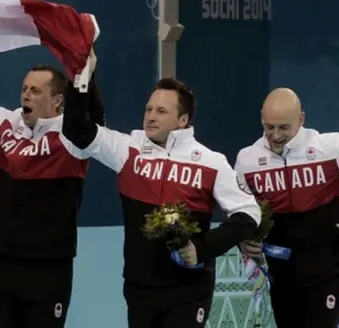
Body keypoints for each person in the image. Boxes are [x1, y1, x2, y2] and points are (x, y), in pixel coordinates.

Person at [60, 76, 261, 328]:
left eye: (161, 111)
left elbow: (249, 212)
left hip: (189, 289)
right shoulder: (127, 149)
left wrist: (202, 247)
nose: (151, 116)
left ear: (183, 120)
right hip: (140, 286)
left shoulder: (211, 162)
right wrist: (82, 75)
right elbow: (77, 130)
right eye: (148, 109)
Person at [0, 48, 104, 328]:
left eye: (36, 91)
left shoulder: (73, 137)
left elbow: (92, 119)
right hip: (2, 268)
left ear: (58, 102)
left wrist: (86, 72)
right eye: (24, 88)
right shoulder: (5, 124)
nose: (26, 95)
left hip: (48, 272)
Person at [235, 87, 339, 328]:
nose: (276, 135)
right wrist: (243, 239)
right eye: (269, 127)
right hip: (280, 275)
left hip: (325, 272)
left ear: (301, 119)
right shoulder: (247, 160)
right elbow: (241, 212)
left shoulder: (330, 148)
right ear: (261, 117)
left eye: (284, 128)